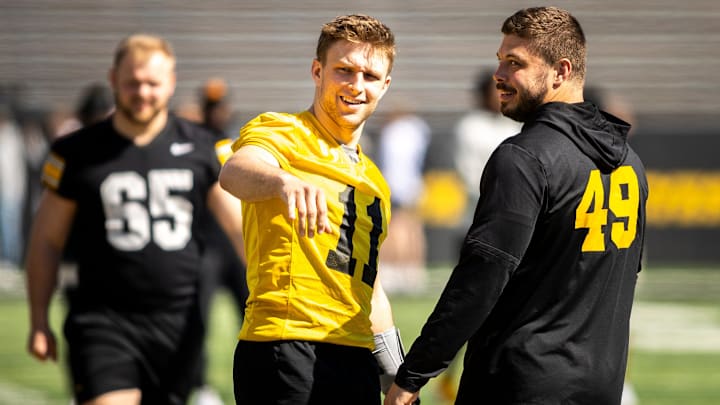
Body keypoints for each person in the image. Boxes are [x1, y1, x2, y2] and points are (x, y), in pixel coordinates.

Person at [386, 6, 648, 405]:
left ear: (561, 71)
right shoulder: (629, 161)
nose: (499, 76)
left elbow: (481, 278)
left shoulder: (523, 158)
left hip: (520, 382)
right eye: (500, 62)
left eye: (515, 63)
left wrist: (414, 374)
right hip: (601, 385)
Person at [25, 33, 245, 405]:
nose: (142, 93)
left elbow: (241, 228)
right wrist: (38, 318)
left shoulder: (203, 146)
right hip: (102, 318)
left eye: (152, 83)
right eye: (132, 83)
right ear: (113, 80)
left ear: (171, 83)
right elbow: (46, 240)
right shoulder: (76, 152)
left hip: (178, 320)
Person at [219, 14, 409, 405]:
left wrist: (395, 376)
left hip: (355, 357)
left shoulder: (373, 179)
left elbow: (368, 289)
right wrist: (281, 181)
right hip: (285, 346)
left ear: (385, 85)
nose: (357, 86)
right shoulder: (281, 130)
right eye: (344, 71)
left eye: (370, 77)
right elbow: (235, 171)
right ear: (317, 70)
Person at [191, 78, 249, 405]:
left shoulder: (239, 145)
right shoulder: (196, 144)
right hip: (205, 246)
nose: (218, 112)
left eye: (221, 105)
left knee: (254, 315)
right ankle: (200, 385)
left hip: (236, 245)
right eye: (212, 107)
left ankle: (261, 379)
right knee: (198, 319)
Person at [376, 106, 431, 295]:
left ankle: (396, 269)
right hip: (415, 185)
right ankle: (413, 271)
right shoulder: (417, 129)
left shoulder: (395, 133)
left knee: (396, 228)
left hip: (397, 185)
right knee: (413, 228)